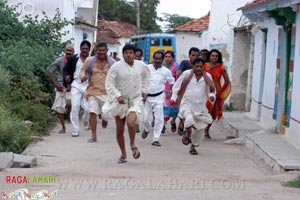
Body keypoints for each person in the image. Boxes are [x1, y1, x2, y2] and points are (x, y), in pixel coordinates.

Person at [105, 44, 150, 163]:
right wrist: (117, 95)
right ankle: (123, 153)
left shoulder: (141, 66)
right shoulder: (116, 67)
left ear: (134, 54)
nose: (128, 55)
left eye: (131, 52)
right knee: (119, 130)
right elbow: (109, 83)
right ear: (123, 54)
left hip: (134, 99)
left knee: (131, 123)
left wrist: (145, 90)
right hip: (120, 101)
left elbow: (147, 77)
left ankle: (132, 144)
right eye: (126, 53)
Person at [171, 57, 215, 155]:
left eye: (201, 66)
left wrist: (212, 97)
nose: (199, 68)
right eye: (197, 66)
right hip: (187, 103)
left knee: (199, 130)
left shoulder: (207, 76)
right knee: (189, 120)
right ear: (193, 66)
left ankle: (193, 146)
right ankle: (187, 133)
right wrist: (174, 97)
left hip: (200, 106)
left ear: (204, 67)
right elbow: (177, 85)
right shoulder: (187, 74)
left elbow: (212, 90)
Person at [80, 42, 114, 143]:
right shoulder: (90, 60)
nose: (102, 52)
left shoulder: (112, 62)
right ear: (96, 51)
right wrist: (82, 76)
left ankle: (104, 119)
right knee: (93, 113)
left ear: (107, 51)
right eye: (100, 50)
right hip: (92, 91)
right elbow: (82, 71)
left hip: (106, 93)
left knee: (106, 114)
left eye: (104, 50)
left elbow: (117, 75)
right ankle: (94, 136)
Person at [141, 51, 175, 146]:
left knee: (159, 119)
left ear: (162, 59)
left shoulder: (166, 71)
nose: (158, 61)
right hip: (147, 97)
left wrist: (170, 92)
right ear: (153, 58)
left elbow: (172, 82)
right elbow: (140, 79)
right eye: (156, 58)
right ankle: (147, 129)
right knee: (144, 118)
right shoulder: (147, 68)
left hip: (159, 96)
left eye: (160, 59)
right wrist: (142, 92)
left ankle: (156, 139)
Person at [63, 40, 91, 137]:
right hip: (76, 84)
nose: (84, 50)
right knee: (75, 106)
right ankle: (75, 129)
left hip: (88, 85)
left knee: (88, 108)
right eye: (83, 48)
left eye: (86, 49)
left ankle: (86, 120)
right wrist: (66, 76)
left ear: (89, 50)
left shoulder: (92, 60)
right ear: (80, 49)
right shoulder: (73, 58)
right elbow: (66, 68)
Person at [204, 49, 231, 139]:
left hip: (215, 93)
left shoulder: (221, 68)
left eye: (216, 56)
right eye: (213, 56)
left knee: (212, 113)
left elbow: (227, 82)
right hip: (204, 91)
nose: (214, 57)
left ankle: (207, 129)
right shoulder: (205, 65)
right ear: (209, 56)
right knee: (203, 110)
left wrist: (220, 92)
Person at [47, 44, 74, 134]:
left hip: (73, 87)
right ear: (65, 51)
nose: (68, 52)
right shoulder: (60, 60)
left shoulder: (76, 60)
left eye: (70, 51)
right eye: (67, 50)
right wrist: (55, 84)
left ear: (73, 52)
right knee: (59, 107)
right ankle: (63, 127)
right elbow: (50, 70)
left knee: (70, 103)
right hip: (60, 87)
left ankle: (69, 113)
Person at [176, 47, 200, 136]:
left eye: (197, 55)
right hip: (184, 90)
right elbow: (179, 73)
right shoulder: (184, 63)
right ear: (189, 55)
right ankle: (182, 122)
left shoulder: (200, 65)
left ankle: (188, 127)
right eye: (193, 55)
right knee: (182, 109)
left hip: (195, 92)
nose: (195, 57)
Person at [162, 50, 179, 133]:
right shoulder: (161, 66)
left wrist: (174, 91)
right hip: (162, 90)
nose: (167, 59)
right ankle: (163, 124)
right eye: (166, 57)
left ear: (173, 58)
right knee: (164, 108)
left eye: (169, 57)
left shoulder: (176, 66)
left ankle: (173, 121)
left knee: (174, 109)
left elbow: (178, 78)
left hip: (173, 89)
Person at [134, 48, 144, 133]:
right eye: (136, 56)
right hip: (128, 91)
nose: (137, 58)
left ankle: (136, 125)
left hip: (139, 92)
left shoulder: (143, 66)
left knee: (137, 109)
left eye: (139, 56)